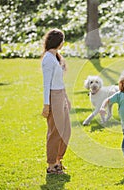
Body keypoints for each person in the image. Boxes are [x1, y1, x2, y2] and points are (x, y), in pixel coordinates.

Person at [41, 29, 71, 175]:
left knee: (66, 131)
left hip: (61, 95)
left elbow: (60, 81)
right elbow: (47, 84)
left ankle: (59, 160)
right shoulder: (48, 59)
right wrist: (47, 105)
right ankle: (51, 165)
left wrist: (66, 99)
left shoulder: (57, 57)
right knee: (56, 131)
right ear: (59, 42)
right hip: (53, 97)